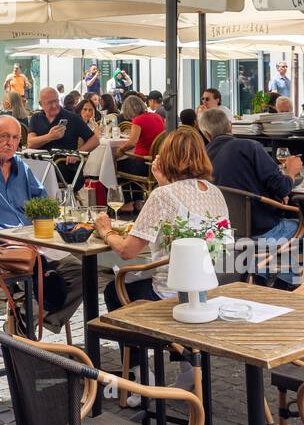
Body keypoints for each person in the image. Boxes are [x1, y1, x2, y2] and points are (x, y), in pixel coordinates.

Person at [0, 115, 84, 333]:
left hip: (31, 243)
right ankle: (27, 327)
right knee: (39, 273)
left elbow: (42, 202)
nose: (10, 143)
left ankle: (27, 322)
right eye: (4, 137)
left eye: (15, 138)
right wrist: (9, 239)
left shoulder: (21, 168)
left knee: (79, 271)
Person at [95, 127, 229, 309]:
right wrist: (163, 184)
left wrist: (106, 230)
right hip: (206, 287)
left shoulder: (163, 195)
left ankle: (142, 337)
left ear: (166, 156)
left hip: (169, 292)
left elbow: (127, 251)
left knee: (113, 290)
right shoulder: (216, 192)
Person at [202, 107, 300, 244]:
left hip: (225, 233)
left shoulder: (202, 158)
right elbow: (283, 187)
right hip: (263, 232)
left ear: (207, 135)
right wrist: (291, 173)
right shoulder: (250, 147)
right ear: (230, 126)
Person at [28, 87, 100, 186]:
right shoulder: (36, 118)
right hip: (40, 164)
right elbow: (31, 143)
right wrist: (50, 136)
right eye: (49, 103)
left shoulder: (72, 118)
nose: (54, 105)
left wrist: (77, 153)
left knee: (37, 178)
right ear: (41, 104)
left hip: (64, 166)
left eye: (56, 101)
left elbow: (95, 141)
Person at [115, 94, 166, 201]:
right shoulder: (157, 117)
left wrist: (121, 150)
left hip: (144, 164)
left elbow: (132, 143)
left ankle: (128, 202)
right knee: (131, 161)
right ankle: (138, 201)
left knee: (118, 164)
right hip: (157, 163)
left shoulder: (138, 120)